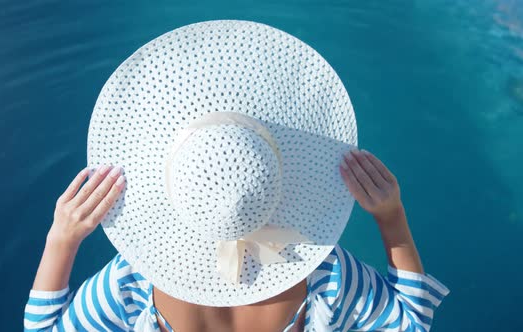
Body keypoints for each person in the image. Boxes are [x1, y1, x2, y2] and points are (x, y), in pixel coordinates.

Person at [24, 21, 449, 332]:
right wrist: (391, 217)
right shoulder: (324, 274)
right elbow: (410, 323)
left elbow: (42, 330)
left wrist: (61, 239)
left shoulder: (132, 281)